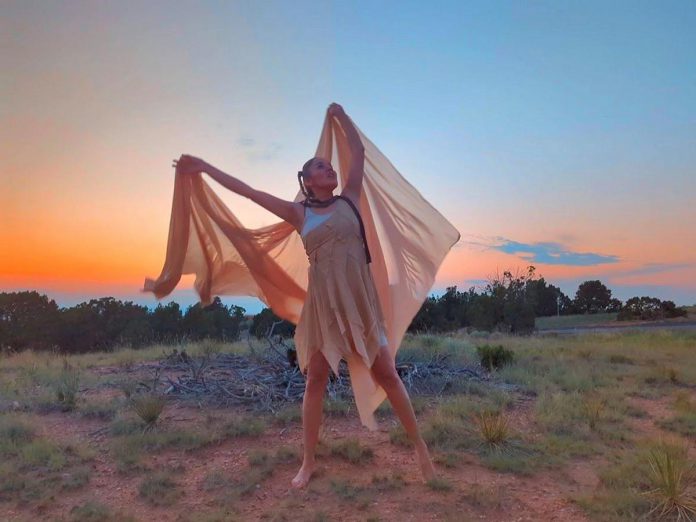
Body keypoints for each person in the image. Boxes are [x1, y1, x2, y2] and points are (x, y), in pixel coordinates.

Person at [173, 103, 437, 489]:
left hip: (360, 303)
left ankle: (420, 448)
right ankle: (308, 461)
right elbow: (249, 192)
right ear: (308, 181)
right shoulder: (299, 214)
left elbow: (359, 153)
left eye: (329, 166)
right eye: (319, 167)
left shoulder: (349, 197)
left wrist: (341, 116)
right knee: (315, 381)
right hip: (324, 308)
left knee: (388, 376)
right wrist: (205, 167)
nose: (328, 169)